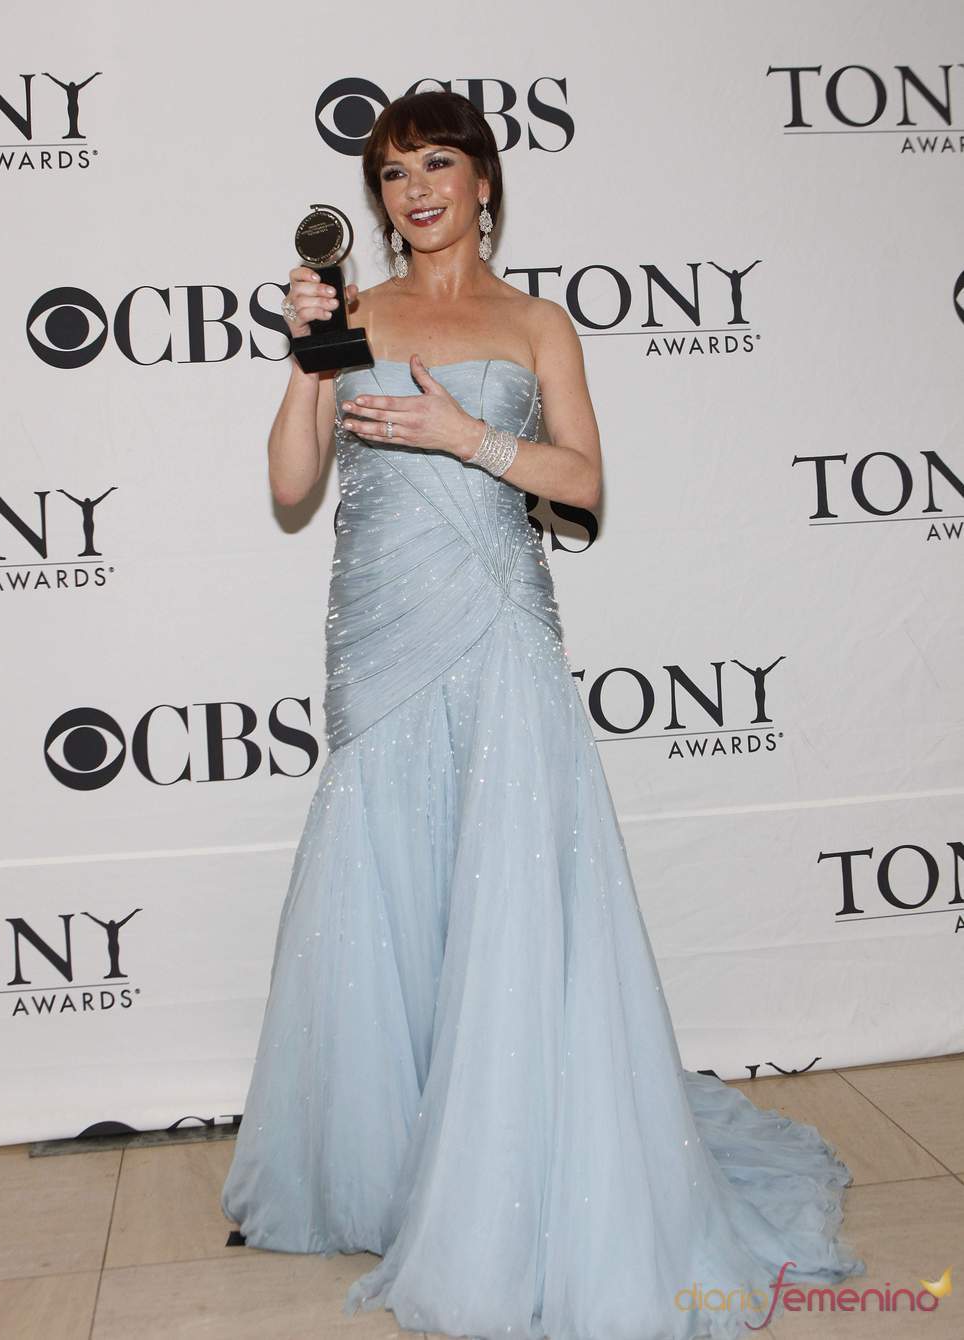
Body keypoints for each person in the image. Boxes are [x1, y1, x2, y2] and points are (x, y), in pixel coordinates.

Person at [221, 89, 865, 1340]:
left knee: (511, 895)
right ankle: (388, 1169)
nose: (415, 190)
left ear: (484, 182)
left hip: (501, 633)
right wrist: (303, 357)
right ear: (376, 196)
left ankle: (508, 1170)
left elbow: (582, 481)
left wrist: (470, 436)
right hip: (379, 640)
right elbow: (295, 484)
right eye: (394, 170)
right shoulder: (349, 317)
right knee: (384, 891)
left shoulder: (534, 323)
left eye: (438, 164)